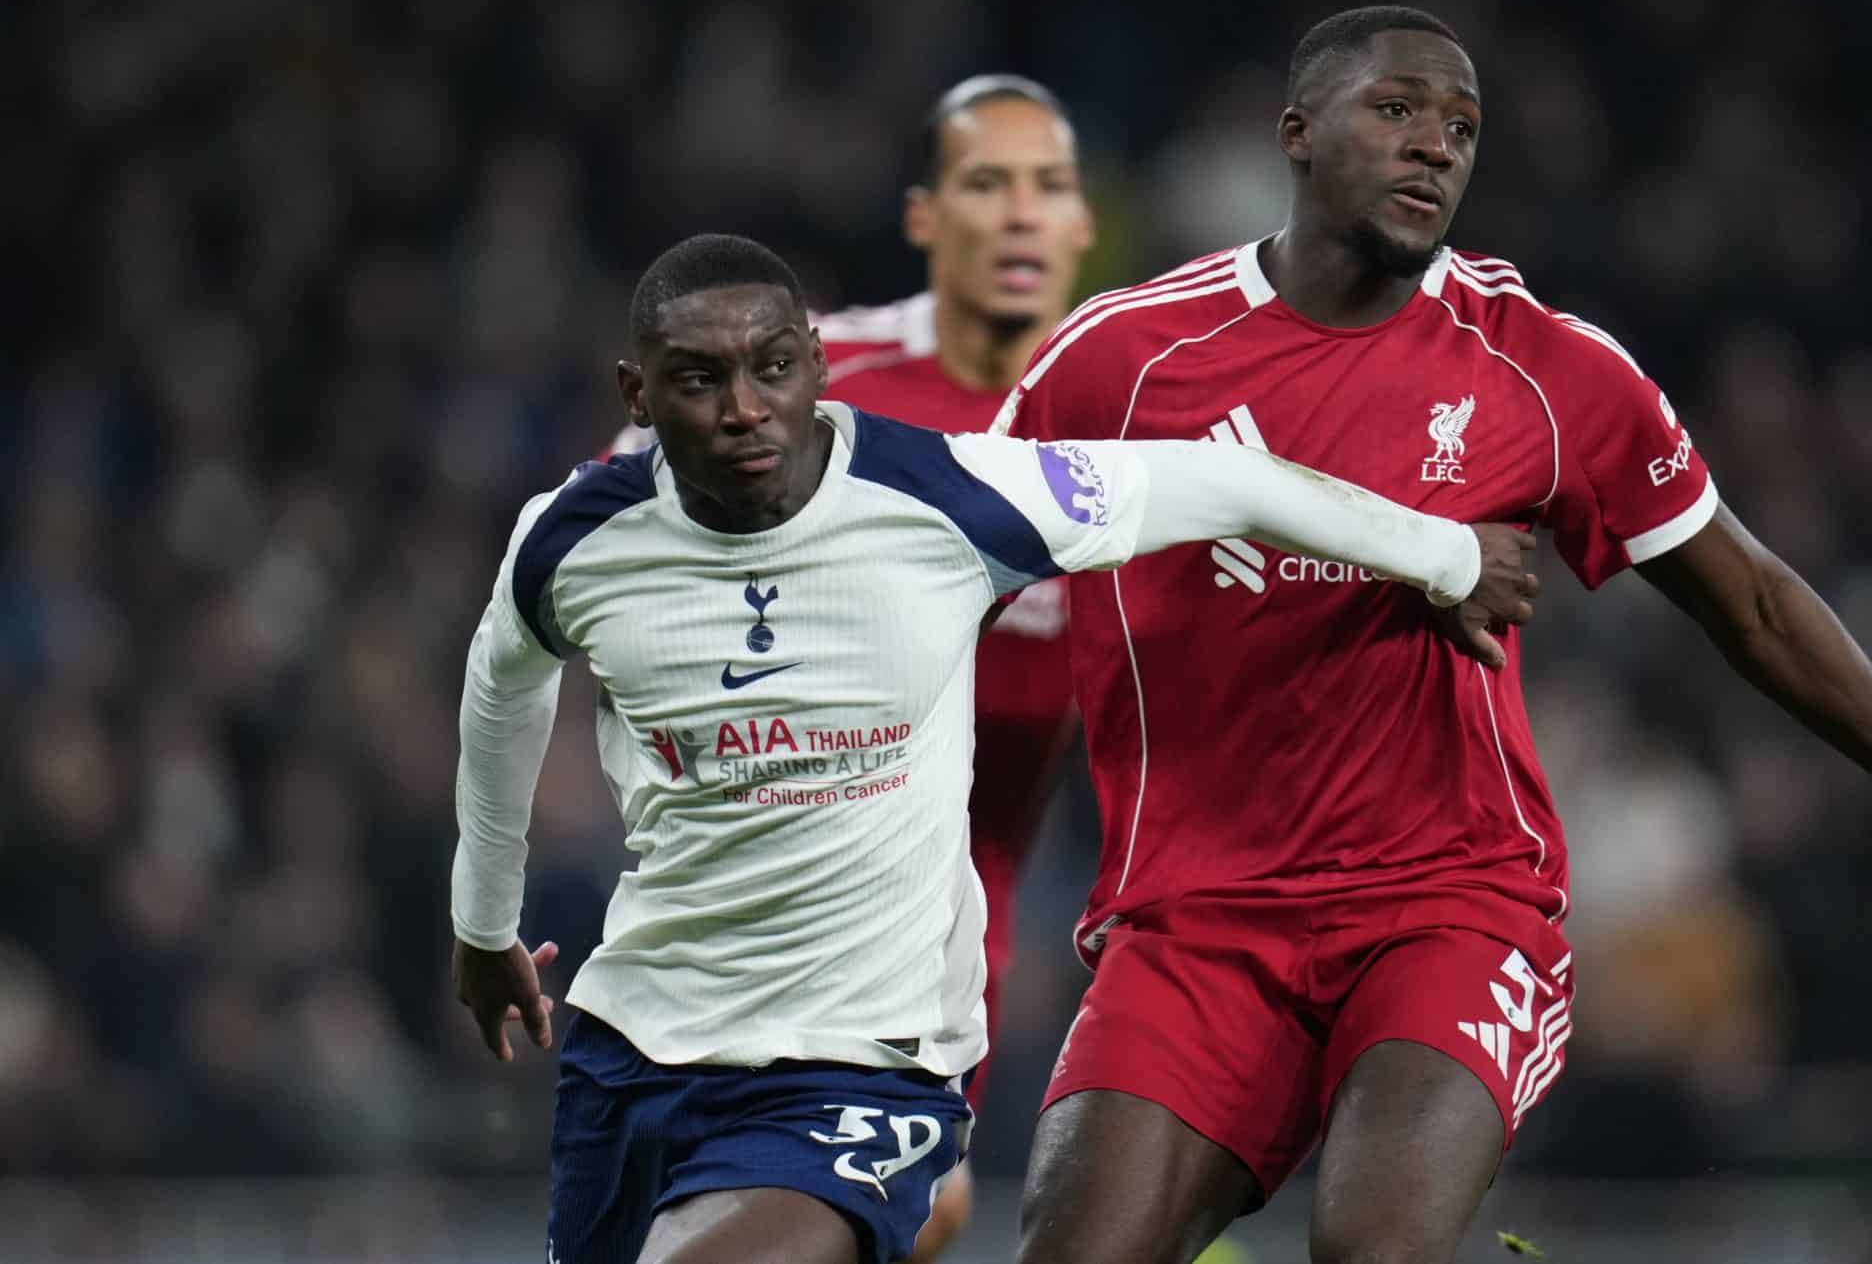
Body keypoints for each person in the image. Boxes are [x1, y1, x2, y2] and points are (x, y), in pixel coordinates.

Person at [994, 5, 1872, 1264]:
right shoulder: (1120, 362)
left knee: (1372, 1246)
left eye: (1462, 128)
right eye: (1397, 110)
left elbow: (1750, 597)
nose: (1435, 146)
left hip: (1446, 905)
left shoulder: (1540, 366)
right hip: (1194, 920)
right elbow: (951, 569)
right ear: (1296, 132)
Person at [451, 231, 1539, 1264]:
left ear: (817, 363)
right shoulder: (576, 538)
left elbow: (1227, 482)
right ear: (637, 395)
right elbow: (502, 689)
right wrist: (483, 924)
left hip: (860, 1061)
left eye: (773, 368)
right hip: (639, 1041)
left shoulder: (952, 497)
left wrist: (1443, 553)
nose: (745, 408)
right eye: (699, 380)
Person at [629, 75, 1095, 1261]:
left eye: (1048, 185)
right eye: (986, 183)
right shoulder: (822, 372)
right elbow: (611, 523)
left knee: (915, 1207)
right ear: (925, 215)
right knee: (878, 1198)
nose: (1020, 212)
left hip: (955, 923)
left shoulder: (1123, 408)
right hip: (772, 881)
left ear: (1083, 221)